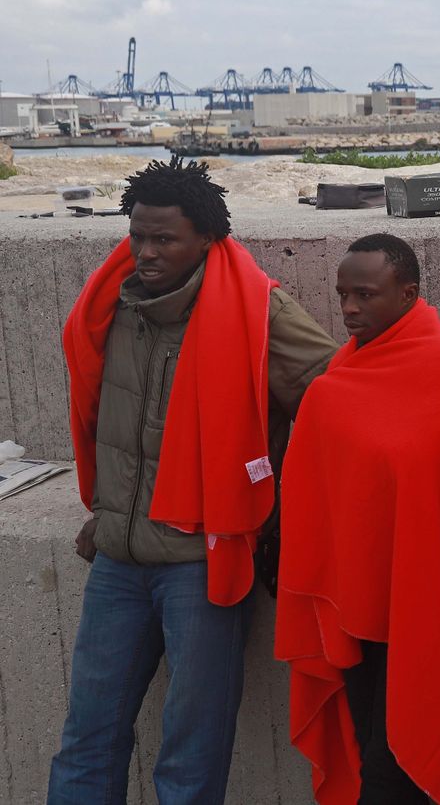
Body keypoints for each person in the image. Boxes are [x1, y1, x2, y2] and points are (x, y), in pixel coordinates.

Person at [52, 159, 338, 804]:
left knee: (191, 752)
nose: (146, 253)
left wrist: (271, 494)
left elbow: (335, 399)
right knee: (86, 739)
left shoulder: (259, 311)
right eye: (137, 236)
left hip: (202, 563)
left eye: (164, 240)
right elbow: (108, 426)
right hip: (118, 558)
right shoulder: (113, 306)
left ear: (207, 238)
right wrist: (108, 513)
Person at [273, 234, 440, 804]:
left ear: (408, 293)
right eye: (343, 296)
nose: (351, 309)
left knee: (398, 764)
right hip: (357, 605)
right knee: (370, 750)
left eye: (365, 294)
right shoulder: (344, 372)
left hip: (427, 600)